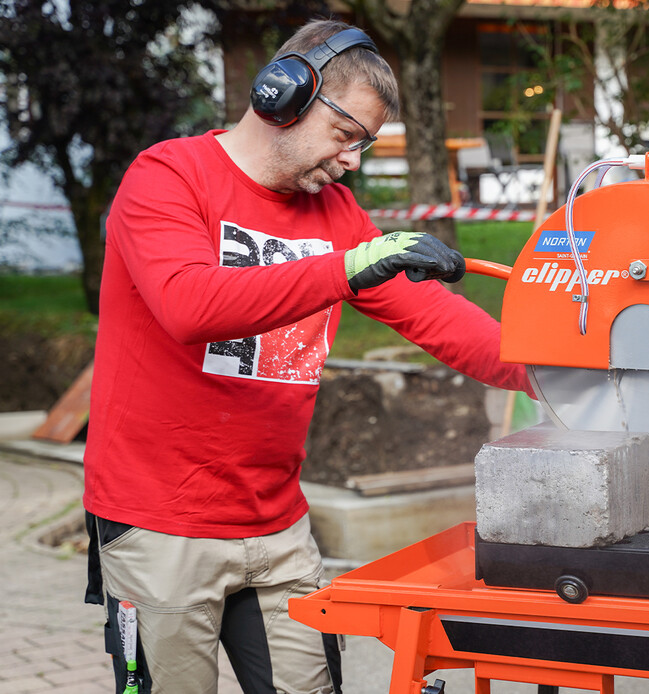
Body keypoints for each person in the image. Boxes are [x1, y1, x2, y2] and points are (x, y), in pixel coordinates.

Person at [82, 18, 530, 694]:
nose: (353, 160)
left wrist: (563, 370)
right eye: (347, 135)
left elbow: (437, 319)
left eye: (364, 145)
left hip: (277, 525)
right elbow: (190, 305)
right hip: (158, 527)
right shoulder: (168, 177)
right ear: (282, 94)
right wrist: (346, 269)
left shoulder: (336, 214)